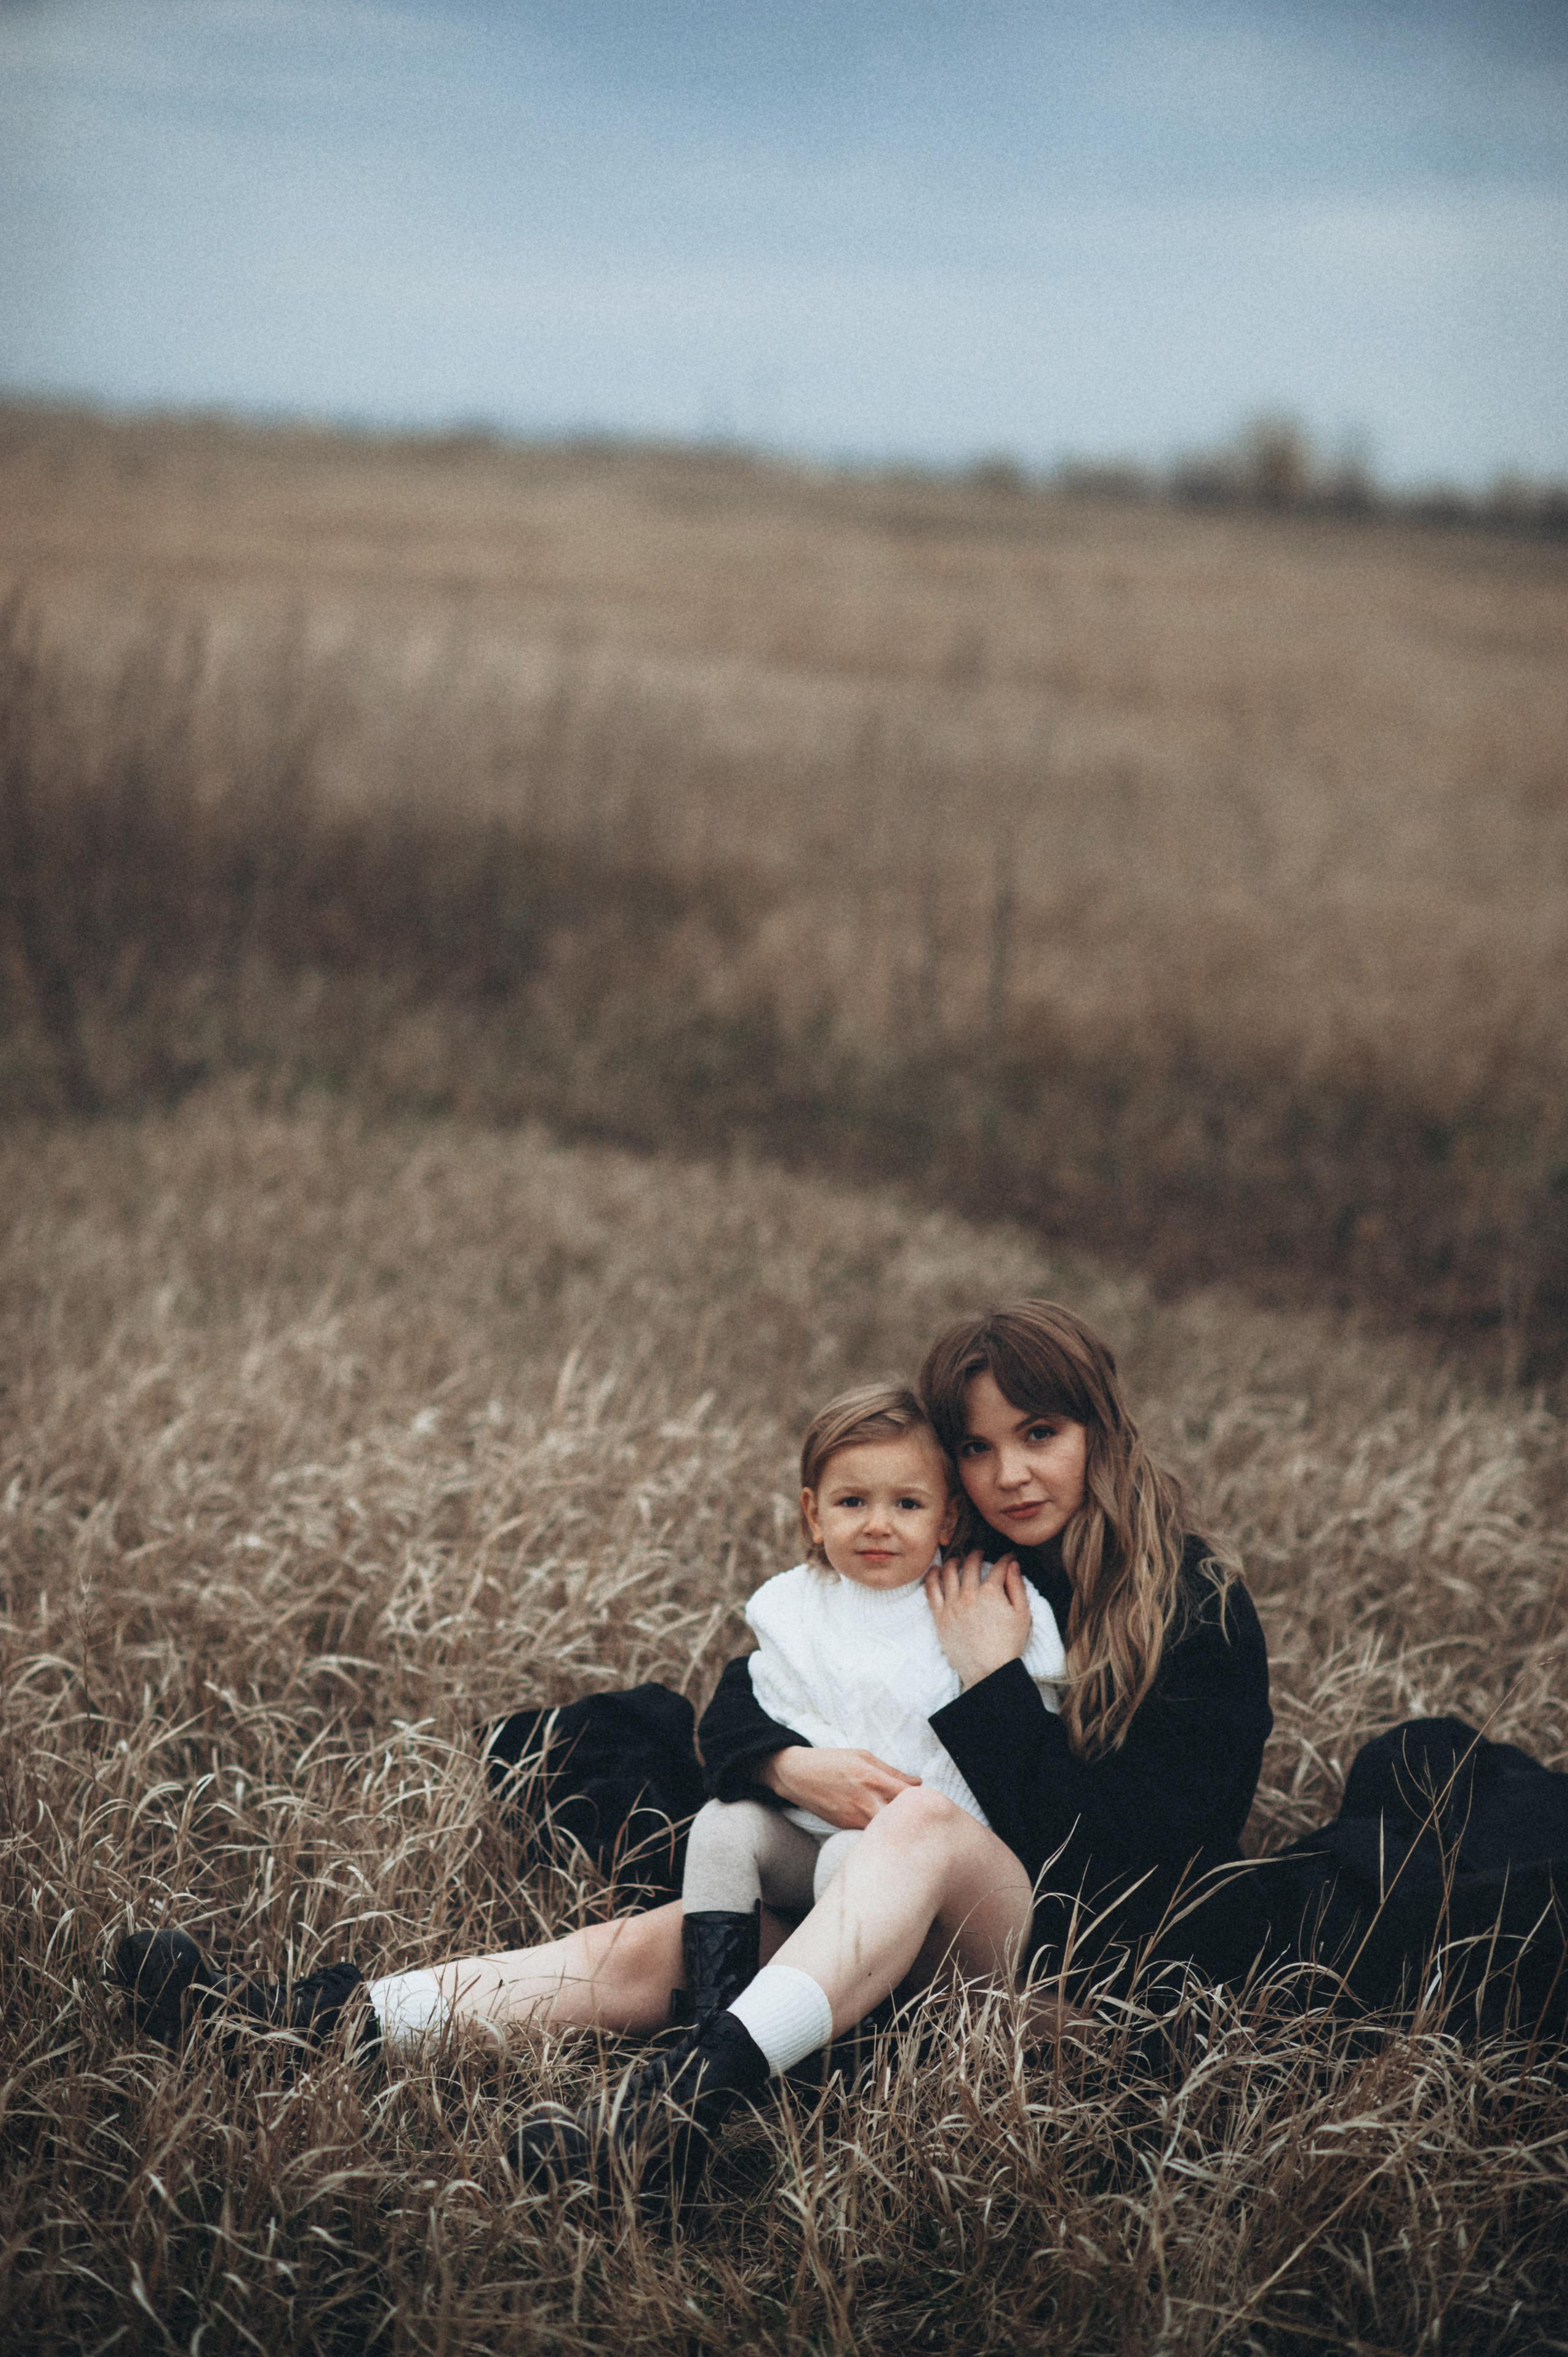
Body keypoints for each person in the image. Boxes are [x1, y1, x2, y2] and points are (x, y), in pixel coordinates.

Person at [116, 1299, 1273, 2216]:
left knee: (916, 1821)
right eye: (976, 1445)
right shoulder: (941, 1559)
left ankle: (677, 2105)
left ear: (1100, 1428)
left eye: (1041, 1434)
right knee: (652, 1944)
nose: (1009, 1472)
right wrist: (783, 1771)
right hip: (895, 1923)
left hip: (1066, 1968)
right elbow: (769, 1683)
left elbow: (1133, 1861)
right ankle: (300, 2018)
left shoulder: (1195, 1607)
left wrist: (993, 1688)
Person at [676, 1380, 1067, 2036]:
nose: (878, 1524)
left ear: (947, 1518)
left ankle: (846, 2038)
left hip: (938, 1873)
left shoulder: (978, 1597)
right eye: (852, 1501)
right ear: (813, 1513)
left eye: (907, 1504)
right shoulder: (793, 1605)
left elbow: (1040, 1714)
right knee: (722, 1826)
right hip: (809, 1834)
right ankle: (715, 2021)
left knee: (851, 1857)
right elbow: (748, 1708)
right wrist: (788, 1763)